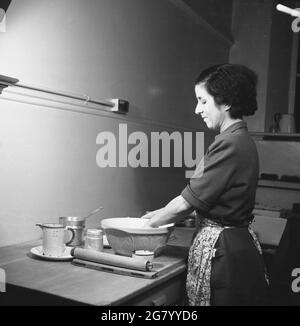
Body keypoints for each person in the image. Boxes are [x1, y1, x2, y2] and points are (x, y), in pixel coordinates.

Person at [142, 63, 269, 306]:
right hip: (236, 243)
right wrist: (156, 215)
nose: (197, 109)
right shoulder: (239, 140)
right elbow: (189, 196)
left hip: (223, 250)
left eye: (203, 101)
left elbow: (184, 204)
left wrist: (143, 226)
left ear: (226, 102)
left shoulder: (229, 144)